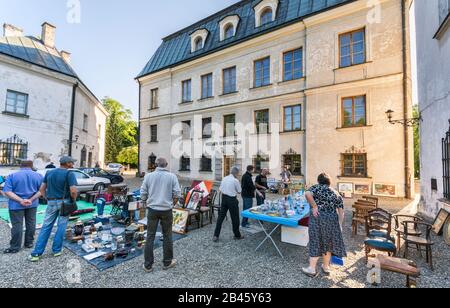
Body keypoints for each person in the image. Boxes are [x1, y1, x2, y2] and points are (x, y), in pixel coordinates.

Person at [29, 156, 78, 262]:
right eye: (72, 162)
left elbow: (42, 189)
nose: (73, 164)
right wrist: (73, 200)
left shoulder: (49, 172)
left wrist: (47, 198)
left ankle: (36, 253)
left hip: (51, 201)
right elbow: (73, 191)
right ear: (67, 163)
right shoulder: (69, 174)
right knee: (61, 226)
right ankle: (56, 250)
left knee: (46, 226)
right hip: (64, 202)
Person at [140, 157, 181, 273]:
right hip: (166, 209)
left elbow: (143, 192)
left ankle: (148, 265)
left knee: (150, 236)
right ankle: (167, 262)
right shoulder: (172, 176)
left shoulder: (148, 176)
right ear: (166, 164)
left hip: (152, 209)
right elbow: (177, 193)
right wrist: (172, 203)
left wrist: (145, 200)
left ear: (155, 165)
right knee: (167, 235)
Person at [302, 173, 346, 277]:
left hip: (318, 219)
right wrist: (340, 224)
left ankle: (312, 269)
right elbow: (341, 211)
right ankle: (326, 267)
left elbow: (307, 194)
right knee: (328, 243)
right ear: (329, 181)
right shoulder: (335, 192)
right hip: (332, 220)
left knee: (315, 241)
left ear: (319, 180)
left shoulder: (316, 188)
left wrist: (314, 206)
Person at [3, 161, 43, 254]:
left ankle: (15, 247)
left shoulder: (12, 175)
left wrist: (21, 200)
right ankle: (29, 243)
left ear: (20, 165)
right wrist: (31, 199)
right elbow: (41, 191)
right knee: (31, 223)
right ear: (32, 166)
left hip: (16, 205)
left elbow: (7, 192)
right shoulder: (38, 176)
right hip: (32, 204)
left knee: (17, 225)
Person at [213, 166, 244, 242]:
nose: (238, 174)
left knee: (220, 217)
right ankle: (237, 235)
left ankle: (215, 235)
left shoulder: (224, 178)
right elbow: (239, 191)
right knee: (235, 218)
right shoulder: (235, 180)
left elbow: (220, 189)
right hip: (232, 199)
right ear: (236, 173)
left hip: (224, 198)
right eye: (238, 173)